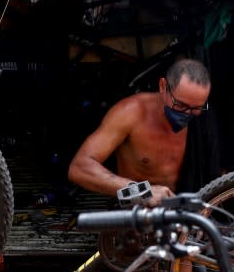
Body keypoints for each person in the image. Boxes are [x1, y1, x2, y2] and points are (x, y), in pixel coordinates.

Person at [68, 58, 211, 207]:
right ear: (163, 87)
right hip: (137, 216)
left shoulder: (205, 119)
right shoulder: (131, 112)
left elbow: (221, 174)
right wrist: (142, 192)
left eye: (195, 108)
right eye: (180, 105)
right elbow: (79, 168)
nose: (187, 113)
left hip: (188, 215)